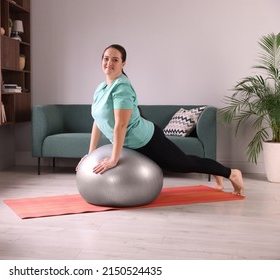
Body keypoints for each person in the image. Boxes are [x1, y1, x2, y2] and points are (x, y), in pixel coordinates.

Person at [76, 44, 244, 196]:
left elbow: (121, 124)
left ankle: (231, 173)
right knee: (185, 162)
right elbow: (98, 120)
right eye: (106, 59)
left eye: (115, 59)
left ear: (123, 64)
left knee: (182, 164)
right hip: (130, 144)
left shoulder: (122, 87)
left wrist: (113, 159)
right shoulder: (100, 88)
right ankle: (213, 169)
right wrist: (90, 154)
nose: (109, 63)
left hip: (146, 140)